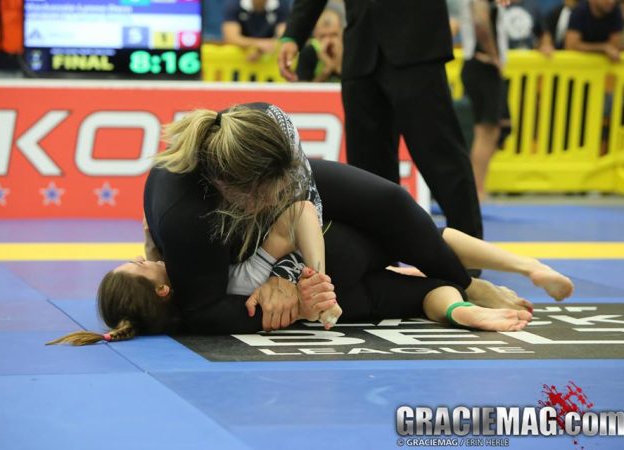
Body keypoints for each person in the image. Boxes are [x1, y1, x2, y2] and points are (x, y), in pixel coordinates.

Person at [47, 103, 574, 346]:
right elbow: (204, 312)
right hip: (241, 241)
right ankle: (459, 290)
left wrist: (298, 276)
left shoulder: (268, 128)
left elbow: (303, 204)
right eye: (268, 193)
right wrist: (296, 296)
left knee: (390, 203)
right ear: (235, 189)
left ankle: (464, 286)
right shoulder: (188, 222)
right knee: (354, 253)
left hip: (286, 214)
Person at [277, 0, 485, 242]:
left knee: (440, 153)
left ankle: (471, 246)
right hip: (361, 49)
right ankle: (377, 251)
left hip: (416, 43)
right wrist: (293, 34)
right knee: (368, 167)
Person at [459, 0, 511, 201]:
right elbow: (480, 21)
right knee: (485, 130)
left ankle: (478, 186)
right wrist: (494, 55)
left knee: (494, 130)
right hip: (482, 65)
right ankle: (476, 188)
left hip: (484, 67)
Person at [222, 0, 291, 62]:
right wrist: (257, 45)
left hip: (269, 62)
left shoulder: (281, 5)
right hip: (239, 59)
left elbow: (283, 37)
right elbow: (231, 38)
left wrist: (261, 50)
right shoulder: (234, 4)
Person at [296, 6, 344, 82]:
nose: (329, 41)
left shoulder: (350, 49)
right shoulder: (309, 51)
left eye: (334, 35)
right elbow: (303, 87)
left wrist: (338, 61)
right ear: (315, 34)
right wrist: (326, 72)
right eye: (323, 36)